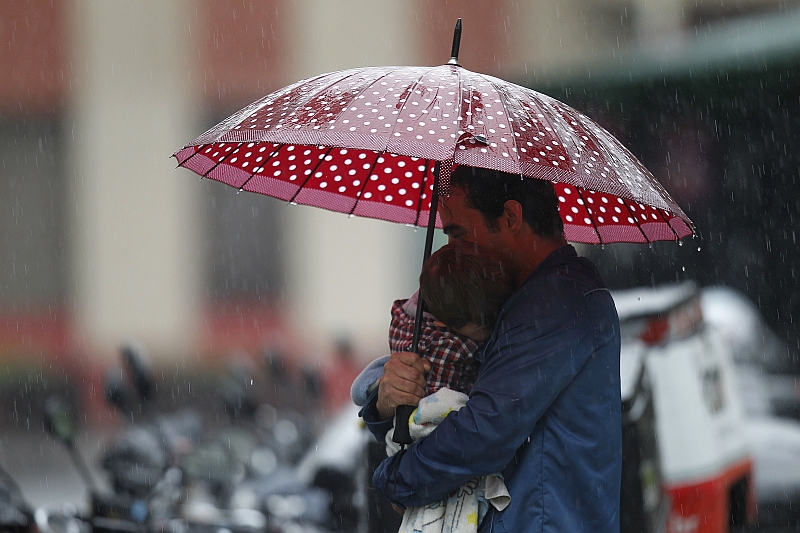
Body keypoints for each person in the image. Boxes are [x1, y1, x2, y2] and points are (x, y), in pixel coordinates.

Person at [360, 166, 622, 533]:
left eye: (459, 234)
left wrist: (394, 479)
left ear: (511, 217)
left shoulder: (556, 303)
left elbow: (483, 432)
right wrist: (389, 401)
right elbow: (453, 406)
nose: (453, 249)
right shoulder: (514, 300)